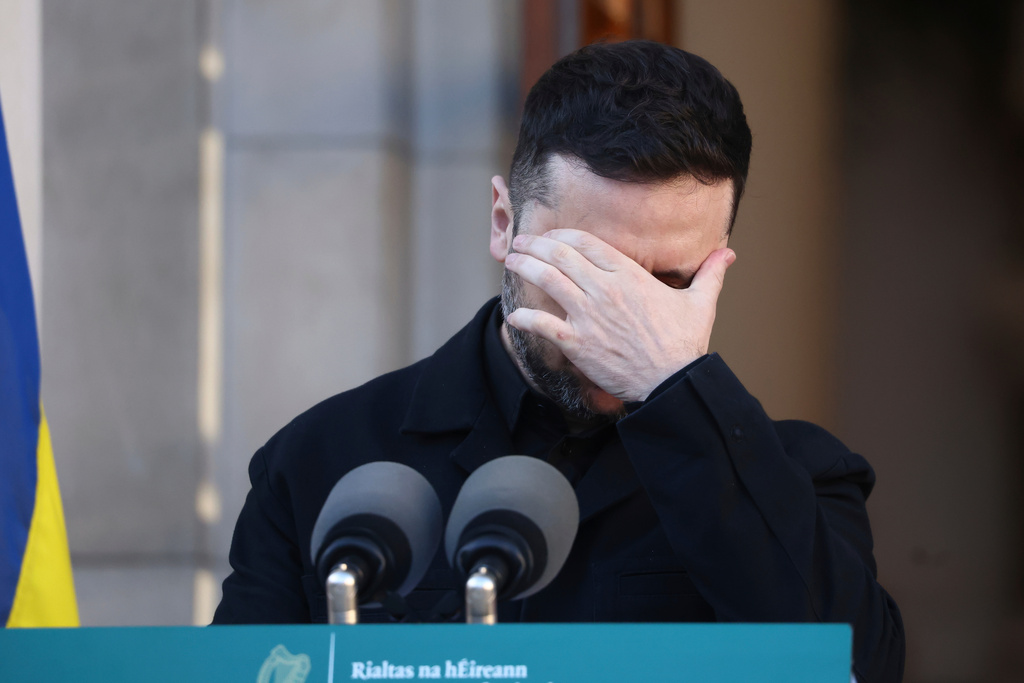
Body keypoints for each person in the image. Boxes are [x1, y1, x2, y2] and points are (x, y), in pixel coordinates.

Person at [213, 40, 905, 682]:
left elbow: (854, 667)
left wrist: (675, 391)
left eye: (669, 282)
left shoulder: (798, 476)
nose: (617, 313)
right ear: (503, 222)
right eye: (585, 268)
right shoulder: (324, 461)